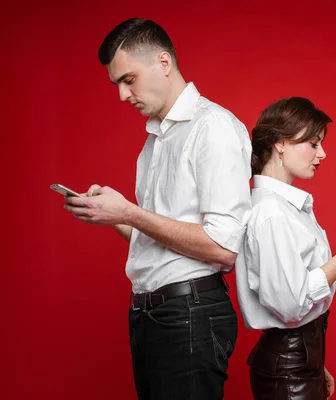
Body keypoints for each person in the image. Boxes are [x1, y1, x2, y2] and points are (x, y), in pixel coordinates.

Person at [63, 18, 252, 400]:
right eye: (117, 84)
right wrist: (111, 214)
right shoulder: (155, 140)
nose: (122, 95)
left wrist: (130, 212)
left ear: (163, 63)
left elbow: (222, 247)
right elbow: (160, 238)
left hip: (190, 313)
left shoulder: (212, 127)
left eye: (128, 79)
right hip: (151, 314)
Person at [235, 97, 336, 399]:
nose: (322, 153)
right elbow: (291, 306)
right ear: (280, 143)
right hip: (288, 368)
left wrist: (315, 361)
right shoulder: (271, 213)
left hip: (300, 359)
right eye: (313, 143)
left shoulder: (288, 207)